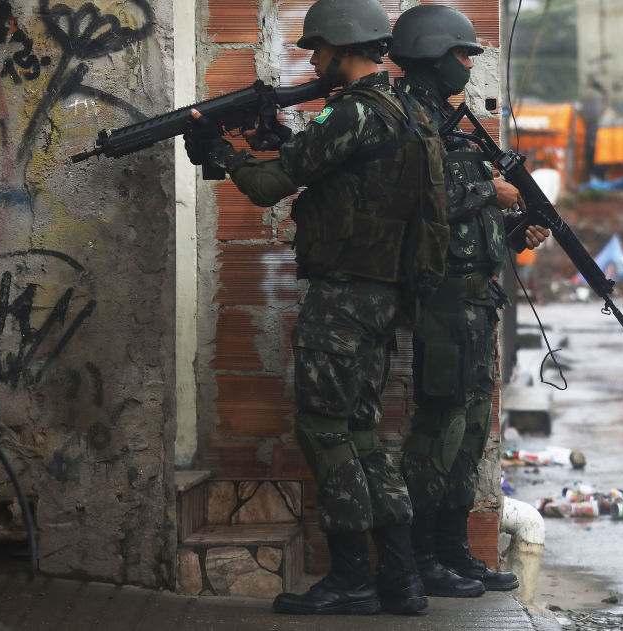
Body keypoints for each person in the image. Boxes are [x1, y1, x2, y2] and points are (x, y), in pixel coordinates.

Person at [183, 0, 447, 616]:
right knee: (361, 433)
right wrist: (282, 142)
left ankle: (353, 579)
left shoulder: (354, 111)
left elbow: (271, 186)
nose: (312, 59)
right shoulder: (405, 107)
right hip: (384, 296)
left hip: (345, 297)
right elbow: (348, 176)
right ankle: (402, 582)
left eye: (318, 49)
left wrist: (220, 151)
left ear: (343, 45)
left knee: (326, 431)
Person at [388, 4, 549, 598]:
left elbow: (463, 229)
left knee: (472, 429)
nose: (467, 66)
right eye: (460, 55)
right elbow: (409, 199)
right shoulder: (407, 119)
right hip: (444, 302)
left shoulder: (443, 120)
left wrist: (513, 235)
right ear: (431, 56)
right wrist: (491, 190)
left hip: (476, 297)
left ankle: (453, 549)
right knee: (440, 429)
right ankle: (419, 554)